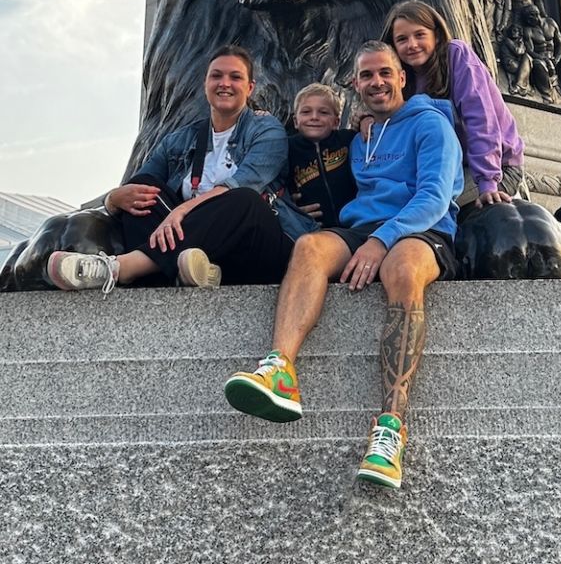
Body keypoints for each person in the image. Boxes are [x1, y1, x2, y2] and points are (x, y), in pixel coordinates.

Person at [224, 41, 463, 490]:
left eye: (385, 73)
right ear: (355, 84)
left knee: (401, 269)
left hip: (422, 227)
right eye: (366, 75)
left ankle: (390, 428)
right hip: (362, 228)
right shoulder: (364, 135)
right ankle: (280, 369)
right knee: (310, 248)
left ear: (402, 77)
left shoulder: (431, 125)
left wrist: (381, 240)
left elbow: (433, 197)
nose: (377, 82)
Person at [47, 45, 309, 294]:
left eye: (235, 77)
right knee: (144, 190)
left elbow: (244, 182)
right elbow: (138, 183)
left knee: (243, 199)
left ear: (250, 87)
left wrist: (181, 210)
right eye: (216, 76)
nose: (225, 83)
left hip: (258, 247)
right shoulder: (180, 139)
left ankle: (120, 268)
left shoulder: (267, 129)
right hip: (194, 253)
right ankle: (183, 273)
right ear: (205, 84)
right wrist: (113, 199)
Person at [383, 0, 525, 213]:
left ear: (436, 35)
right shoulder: (402, 77)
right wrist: (366, 118)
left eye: (420, 35)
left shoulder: (456, 55)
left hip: (494, 169)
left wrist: (487, 183)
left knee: (424, 207)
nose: (412, 44)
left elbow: (481, 119)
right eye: (402, 39)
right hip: (445, 170)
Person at [288, 83, 357, 228]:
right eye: (306, 112)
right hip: (313, 228)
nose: (314, 117)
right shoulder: (287, 149)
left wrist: (365, 119)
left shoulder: (349, 140)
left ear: (336, 122)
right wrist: (289, 208)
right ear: (295, 121)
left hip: (354, 225)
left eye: (323, 112)